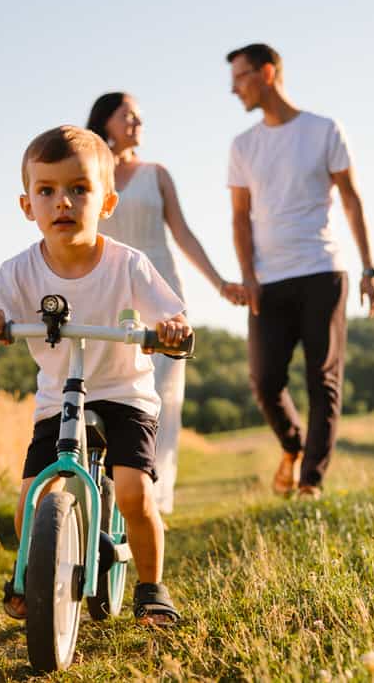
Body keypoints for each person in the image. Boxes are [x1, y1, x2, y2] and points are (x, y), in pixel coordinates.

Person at [0, 125, 186, 625]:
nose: (61, 202)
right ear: (28, 206)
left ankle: (152, 587)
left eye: (78, 189)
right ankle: (28, 572)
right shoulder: (18, 272)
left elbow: (167, 316)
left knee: (133, 490)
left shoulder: (128, 264)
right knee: (30, 498)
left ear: (106, 202)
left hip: (124, 392)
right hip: (59, 397)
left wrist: (170, 327)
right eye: (47, 191)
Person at [225, 43, 374, 500]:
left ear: (268, 73)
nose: (234, 89)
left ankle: (311, 481)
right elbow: (239, 217)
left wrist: (369, 268)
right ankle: (293, 447)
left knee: (323, 380)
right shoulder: (243, 146)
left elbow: (352, 201)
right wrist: (247, 274)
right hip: (267, 280)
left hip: (322, 271)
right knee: (264, 378)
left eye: (240, 78)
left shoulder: (323, 130)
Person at [86, 93, 245, 515]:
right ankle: (101, 493)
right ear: (106, 121)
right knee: (105, 388)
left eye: (139, 114)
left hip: (159, 290)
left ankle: (146, 500)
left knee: (156, 395)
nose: (137, 120)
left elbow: (183, 233)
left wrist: (219, 282)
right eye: (127, 114)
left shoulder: (157, 174)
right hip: (108, 289)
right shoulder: (89, 172)